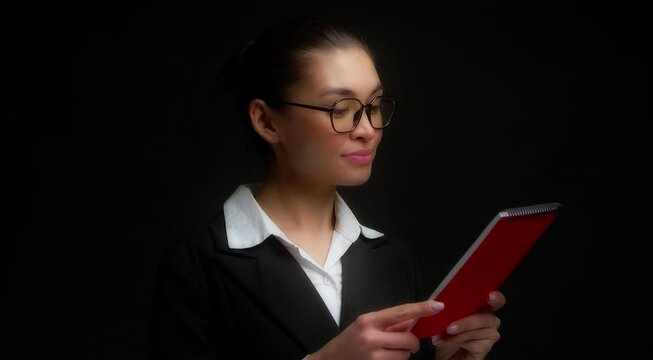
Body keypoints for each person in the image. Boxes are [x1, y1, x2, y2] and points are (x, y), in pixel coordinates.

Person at [149, 16, 505, 360]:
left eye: (374, 105)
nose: (367, 128)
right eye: (341, 108)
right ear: (266, 121)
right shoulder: (197, 267)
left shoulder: (391, 258)